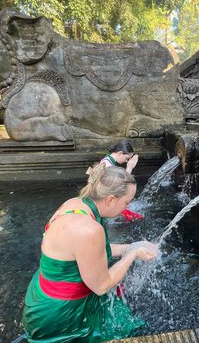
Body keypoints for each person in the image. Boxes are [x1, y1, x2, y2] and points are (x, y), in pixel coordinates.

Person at [21, 163, 159, 342]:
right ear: (110, 199)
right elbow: (102, 286)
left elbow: (91, 251)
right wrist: (132, 254)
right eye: (127, 201)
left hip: (42, 292)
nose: (128, 206)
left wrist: (132, 245)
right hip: (61, 314)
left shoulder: (75, 204)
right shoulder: (89, 230)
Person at [97, 140, 143, 221]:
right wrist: (129, 167)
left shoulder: (108, 160)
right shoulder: (107, 165)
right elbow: (119, 185)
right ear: (120, 153)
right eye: (127, 158)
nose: (126, 161)